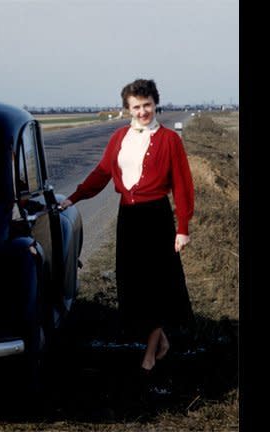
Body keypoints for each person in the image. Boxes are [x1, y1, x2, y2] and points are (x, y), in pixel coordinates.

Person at [59, 78, 194, 374]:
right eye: (136, 106)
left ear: (155, 103)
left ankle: (149, 354)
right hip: (128, 218)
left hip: (156, 218)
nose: (143, 111)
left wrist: (182, 227)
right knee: (135, 285)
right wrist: (75, 197)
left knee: (157, 285)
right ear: (127, 108)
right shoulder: (119, 137)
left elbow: (184, 186)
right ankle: (162, 340)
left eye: (147, 105)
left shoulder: (170, 140)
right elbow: (102, 173)